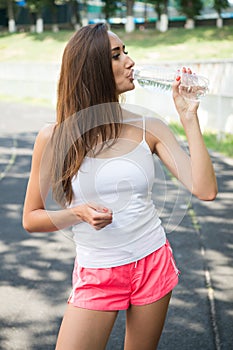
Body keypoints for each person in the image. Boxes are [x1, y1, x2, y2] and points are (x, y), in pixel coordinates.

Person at [22, 23, 217, 350]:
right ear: (92, 68)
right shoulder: (54, 137)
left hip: (152, 261)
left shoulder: (149, 126)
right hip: (98, 272)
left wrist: (188, 116)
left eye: (126, 51)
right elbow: (31, 218)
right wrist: (78, 213)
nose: (130, 61)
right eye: (116, 55)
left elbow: (205, 189)